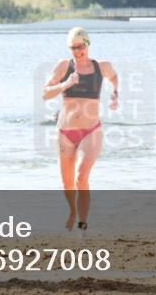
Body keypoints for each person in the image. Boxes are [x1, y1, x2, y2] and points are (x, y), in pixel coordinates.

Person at [42, 27, 118, 232]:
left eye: (80, 46)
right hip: (65, 132)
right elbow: (45, 93)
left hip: (90, 130)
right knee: (67, 185)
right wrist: (65, 84)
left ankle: (82, 224)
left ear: (87, 44)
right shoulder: (63, 66)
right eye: (72, 48)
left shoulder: (102, 66)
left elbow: (114, 78)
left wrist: (114, 94)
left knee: (81, 176)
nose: (77, 51)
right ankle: (72, 212)